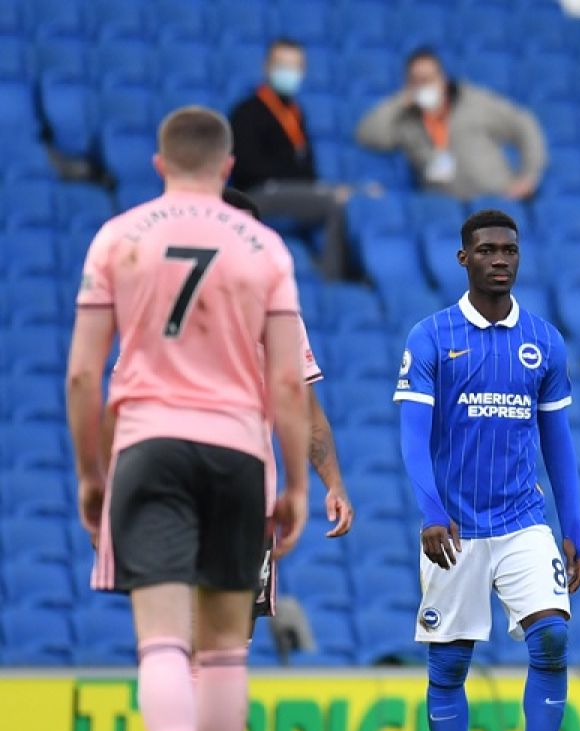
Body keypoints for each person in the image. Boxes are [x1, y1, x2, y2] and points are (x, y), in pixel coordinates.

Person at [66, 106, 309, 731]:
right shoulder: (265, 249)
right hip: (237, 449)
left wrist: (91, 472)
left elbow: (84, 372)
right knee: (227, 645)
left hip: (149, 444)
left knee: (163, 642)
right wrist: (293, 484)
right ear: (228, 167)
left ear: (159, 164)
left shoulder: (117, 237)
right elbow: (288, 381)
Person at [393, 209, 580, 731]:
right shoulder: (432, 337)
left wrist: (572, 525)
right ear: (464, 258)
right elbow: (412, 435)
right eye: (486, 250)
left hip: (523, 520)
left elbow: (558, 440)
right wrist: (430, 511)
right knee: (450, 666)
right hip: (454, 528)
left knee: (551, 639)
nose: (500, 259)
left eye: (509, 250)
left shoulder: (543, 341)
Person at [219, 188, 355, 624]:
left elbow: (305, 412)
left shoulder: (280, 317)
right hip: (182, 497)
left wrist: (332, 482)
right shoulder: (165, 311)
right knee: (180, 640)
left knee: (230, 645)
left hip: (249, 507)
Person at [229, 38, 356, 281]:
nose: (288, 73)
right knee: (333, 204)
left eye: (294, 66)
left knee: (345, 196)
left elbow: (307, 168)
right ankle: (332, 276)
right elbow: (247, 168)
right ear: (267, 67)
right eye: (282, 65)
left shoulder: (296, 112)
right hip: (258, 193)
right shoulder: (246, 111)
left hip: (291, 191)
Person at [356, 47, 547, 200]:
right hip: (445, 211)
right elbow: (367, 134)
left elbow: (524, 124)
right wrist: (400, 101)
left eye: (428, 79)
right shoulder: (407, 120)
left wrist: (528, 176)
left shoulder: (475, 102)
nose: (423, 86)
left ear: (442, 78)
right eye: (416, 81)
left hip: (495, 199)